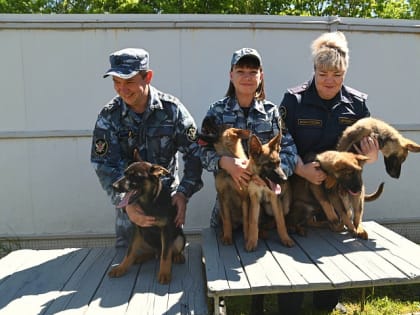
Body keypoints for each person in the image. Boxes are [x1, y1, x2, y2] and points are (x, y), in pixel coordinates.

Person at [277, 31, 379, 314]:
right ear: (314, 70)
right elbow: (282, 140)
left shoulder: (357, 104)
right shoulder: (293, 100)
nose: (329, 80)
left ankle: (327, 305)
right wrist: (300, 168)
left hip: (338, 196)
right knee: (293, 269)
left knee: (333, 261)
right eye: (323, 73)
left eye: (336, 74)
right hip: (301, 191)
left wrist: (369, 157)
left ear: (344, 73)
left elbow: (365, 146)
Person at [199, 48, 299, 314]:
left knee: (265, 269)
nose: (246, 77)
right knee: (222, 278)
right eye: (240, 71)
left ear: (261, 76)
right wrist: (224, 162)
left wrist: (275, 175)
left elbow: (288, 149)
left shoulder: (271, 111)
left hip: (264, 209)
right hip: (228, 212)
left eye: (252, 72)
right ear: (231, 75)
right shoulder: (216, 111)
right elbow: (199, 148)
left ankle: (260, 304)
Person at [90, 48, 203, 248]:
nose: (122, 89)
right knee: (129, 267)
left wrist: (183, 193)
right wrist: (126, 205)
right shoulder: (109, 116)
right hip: (131, 210)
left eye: (129, 81)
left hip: (165, 205)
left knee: (171, 266)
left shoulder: (172, 110)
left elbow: (195, 153)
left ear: (147, 77)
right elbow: (104, 165)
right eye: (116, 82)